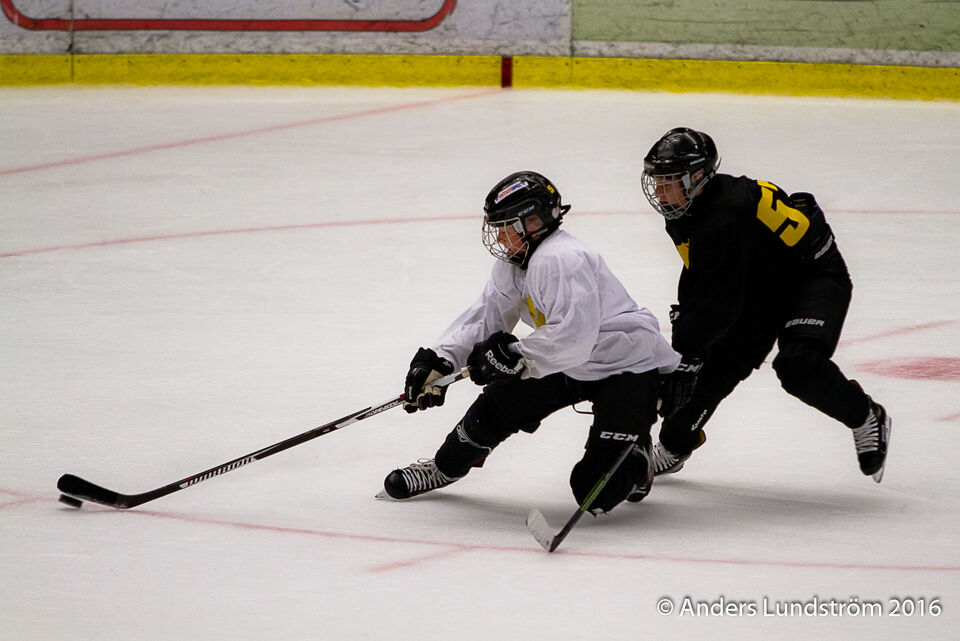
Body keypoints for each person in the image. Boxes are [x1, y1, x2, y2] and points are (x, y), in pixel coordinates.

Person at [381, 170, 680, 513]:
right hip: (566, 361)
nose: (498, 235)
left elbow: (574, 338)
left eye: (505, 226)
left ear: (533, 223)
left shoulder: (561, 259)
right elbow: (486, 317)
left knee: (594, 494)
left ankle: (637, 455)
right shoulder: (514, 265)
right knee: (495, 407)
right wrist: (440, 360)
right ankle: (444, 467)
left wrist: (513, 355)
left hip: (625, 367)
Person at [640, 127, 892, 482]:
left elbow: (721, 303)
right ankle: (675, 443)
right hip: (756, 287)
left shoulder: (724, 213)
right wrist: (688, 346)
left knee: (798, 365)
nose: (660, 191)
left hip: (811, 275)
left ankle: (865, 415)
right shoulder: (685, 210)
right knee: (705, 378)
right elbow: (700, 273)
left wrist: (686, 351)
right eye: (657, 181)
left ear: (696, 178)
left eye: (668, 182)